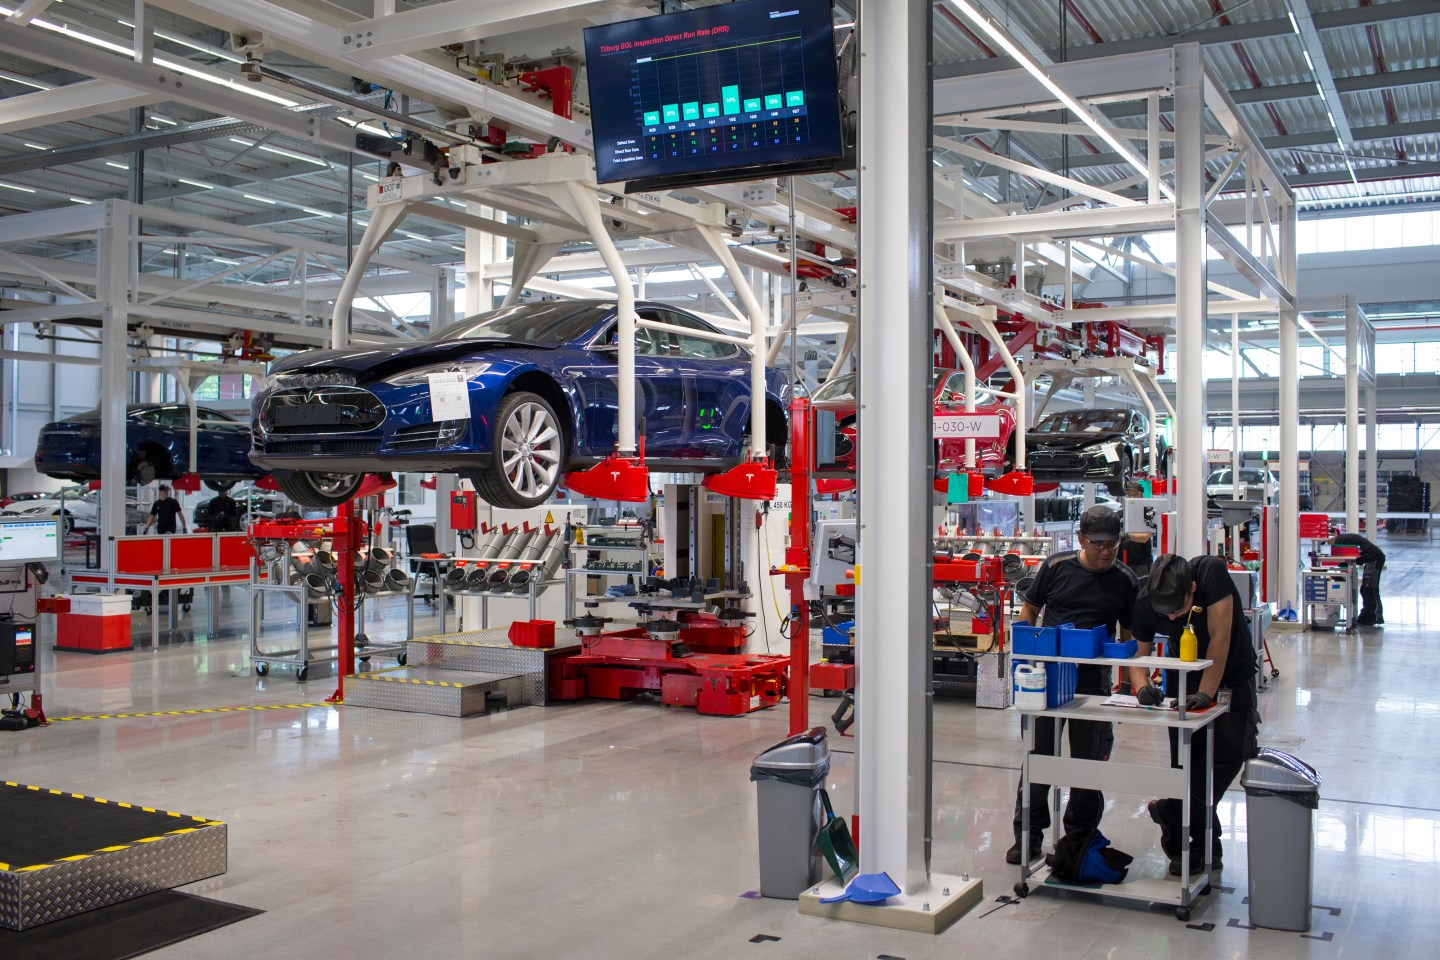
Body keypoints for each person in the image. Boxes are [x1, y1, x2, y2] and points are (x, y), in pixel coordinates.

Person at [1007, 504, 1138, 865]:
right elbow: (1030, 611)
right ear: (1081, 538)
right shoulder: (1055, 567)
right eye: (1098, 544)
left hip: (1093, 684)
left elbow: (1128, 635)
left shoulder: (1125, 580)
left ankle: (1079, 840)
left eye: (1112, 544)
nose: (1106, 551)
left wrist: (1129, 686)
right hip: (1048, 681)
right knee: (1038, 759)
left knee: (1088, 765)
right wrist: (1025, 655)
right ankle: (1027, 836)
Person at [1129, 553, 1260, 877]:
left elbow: (1221, 637)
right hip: (1184, 677)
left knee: (1231, 753)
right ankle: (1201, 847)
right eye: (1166, 613)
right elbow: (1139, 655)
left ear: (1192, 589)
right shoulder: (1145, 601)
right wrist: (1142, 686)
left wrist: (1206, 693)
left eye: (1178, 609)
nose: (1172, 618)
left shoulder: (1210, 573)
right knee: (1188, 762)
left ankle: (1172, 810)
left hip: (1231, 674)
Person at [1328, 527, 1384, 625]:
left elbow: (1344, 561)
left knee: (1370, 589)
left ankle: (1375, 617)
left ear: (1333, 535)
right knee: (1365, 589)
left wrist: (1333, 576)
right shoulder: (1343, 539)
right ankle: (1366, 617)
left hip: (1375, 559)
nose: (1329, 544)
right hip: (1371, 559)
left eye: (1328, 541)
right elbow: (1345, 561)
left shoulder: (1341, 540)